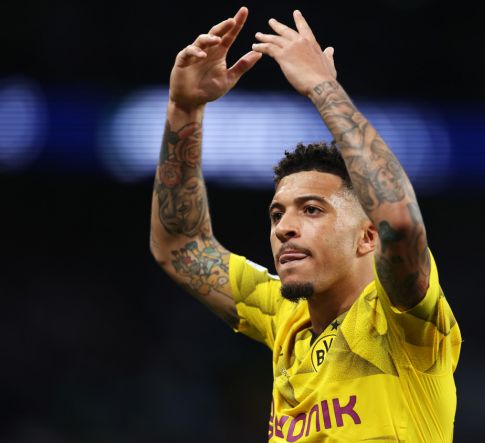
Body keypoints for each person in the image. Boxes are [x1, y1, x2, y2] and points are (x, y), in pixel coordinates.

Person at [150, 6, 462, 442]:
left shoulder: (400, 319)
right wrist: (184, 107)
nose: (284, 228)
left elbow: (400, 222)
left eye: (312, 210)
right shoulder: (284, 315)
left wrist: (322, 87)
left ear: (367, 236)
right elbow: (181, 246)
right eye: (278, 213)